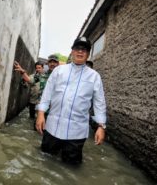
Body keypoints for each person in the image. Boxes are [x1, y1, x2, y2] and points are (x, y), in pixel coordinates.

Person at [35, 37, 107, 165]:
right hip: (53, 128)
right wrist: (41, 114)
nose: (80, 52)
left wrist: (101, 126)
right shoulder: (59, 71)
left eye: (84, 50)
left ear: (88, 54)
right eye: (77, 49)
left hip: (76, 133)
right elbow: (47, 94)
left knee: (71, 166)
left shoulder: (94, 76)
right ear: (72, 51)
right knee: (45, 160)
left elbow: (99, 103)